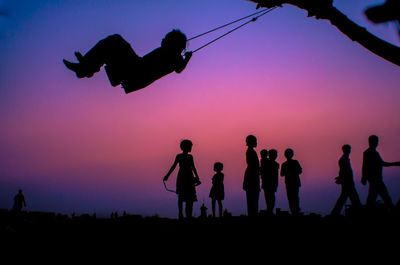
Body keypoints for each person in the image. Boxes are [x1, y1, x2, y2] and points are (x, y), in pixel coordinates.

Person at [63, 29, 193, 94]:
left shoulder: (172, 56)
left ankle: (86, 67)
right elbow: (179, 68)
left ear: (172, 43)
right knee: (112, 45)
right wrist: (186, 58)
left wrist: (187, 58)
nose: (163, 39)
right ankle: (87, 66)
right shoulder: (171, 55)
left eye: (166, 38)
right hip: (136, 69)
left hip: (137, 71)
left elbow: (179, 69)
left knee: (115, 41)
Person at [163, 139, 201, 219]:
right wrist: (167, 175)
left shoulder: (190, 156)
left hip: (188, 177)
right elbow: (173, 166)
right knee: (181, 196)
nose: (191, 148)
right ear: (185, 147)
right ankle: (181, 214)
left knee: (189, 197)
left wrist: (197, 177)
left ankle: (188, 215)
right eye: (190, 146)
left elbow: (193, 167)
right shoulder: (179, 156)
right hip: (183, 177)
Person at [361, 135, 400, 210]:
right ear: (371, 142)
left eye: (377, 141)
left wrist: (395, 163)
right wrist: (364, 177)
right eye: (376, 141)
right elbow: (365, 165)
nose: (377, 143)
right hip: (375, 180)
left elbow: (382, 163)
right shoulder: (368, 153)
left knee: (372, 199)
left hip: (376, 180)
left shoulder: (376, 153)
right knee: (386, 198)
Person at [331, 144, 362, 215]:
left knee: (345, 199)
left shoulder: (345, 159)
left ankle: (334, 214)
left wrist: (340, 177)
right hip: (348, 183)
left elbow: (342, 171)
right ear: (345, 150)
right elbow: (343, 171)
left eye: (349, 149)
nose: (349, 151)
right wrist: (341, 178)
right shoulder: (343, 160)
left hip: (348, 182)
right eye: (348, 149)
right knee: (353, 199)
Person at [280, 148, 302, 215]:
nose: (288, 155)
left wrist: (292, 172)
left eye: (289, 154)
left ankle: (296, 210)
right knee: (291, 197)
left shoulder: (295, 162)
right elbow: (282, 174)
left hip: (294, 183)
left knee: (294, 197)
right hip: (289, 183)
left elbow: (300, 171)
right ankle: (294, 211)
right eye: (287, 154)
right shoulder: (284, 164)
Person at [243, 135, 260, 217]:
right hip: (252, 178)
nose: (256, 143)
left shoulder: (250, 151)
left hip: (251, 177)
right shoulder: (251, 152)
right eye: (255, 141)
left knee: (252, 199)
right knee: (253, 199)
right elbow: (253, 165)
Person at [260, 149, 279, 215]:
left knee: (269, 197)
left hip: (270, 183)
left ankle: (270, 210)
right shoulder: (266, 162)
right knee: (269, 197)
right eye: (275, 154)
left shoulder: (269, 162)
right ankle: (269, 210)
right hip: (269, 183)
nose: (276, 156)